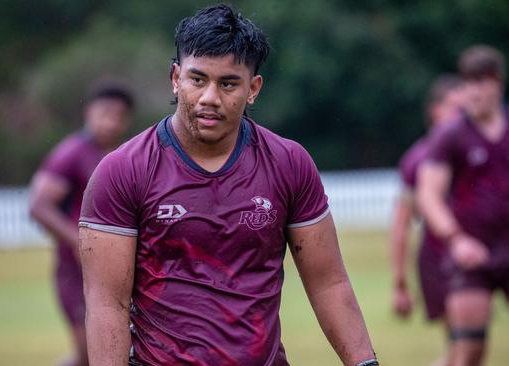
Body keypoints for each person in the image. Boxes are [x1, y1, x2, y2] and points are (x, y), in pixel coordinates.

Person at [78, 4, 377, 366]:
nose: (209, 98)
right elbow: (107, 304)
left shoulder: (289, 163)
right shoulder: (122, 171)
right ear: (176, 78)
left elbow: (329, 284)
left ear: (253, 88)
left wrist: (365, 363)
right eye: (197, 79)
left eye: (228, 83)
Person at [417, 45, 509, 366]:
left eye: (479, 82)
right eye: (466, 82)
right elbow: (427, 195)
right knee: (469, 354)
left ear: (497, 83)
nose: (471, 91)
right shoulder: (451, 135)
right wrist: (456, 239)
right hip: (471, 258)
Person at [29, 84, 134, 366]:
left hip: (114, 269)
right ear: (89, 113)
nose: (111, 122)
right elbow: (39, 207)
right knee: (91, 353)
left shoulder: (124, 155)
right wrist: (79, 243)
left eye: (119, 115)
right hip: (76, 271)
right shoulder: (71, 152)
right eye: (105, 113)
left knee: (115, 352)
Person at [389, 74, 463, 362]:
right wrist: (400, 284)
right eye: (455, 109)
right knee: (464, 347)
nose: (462, 117)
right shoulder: (418, 159)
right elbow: (401, 226)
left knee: (465, 349)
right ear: (436, 110)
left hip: (477, 259)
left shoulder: (472, 151)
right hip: (440, 261)